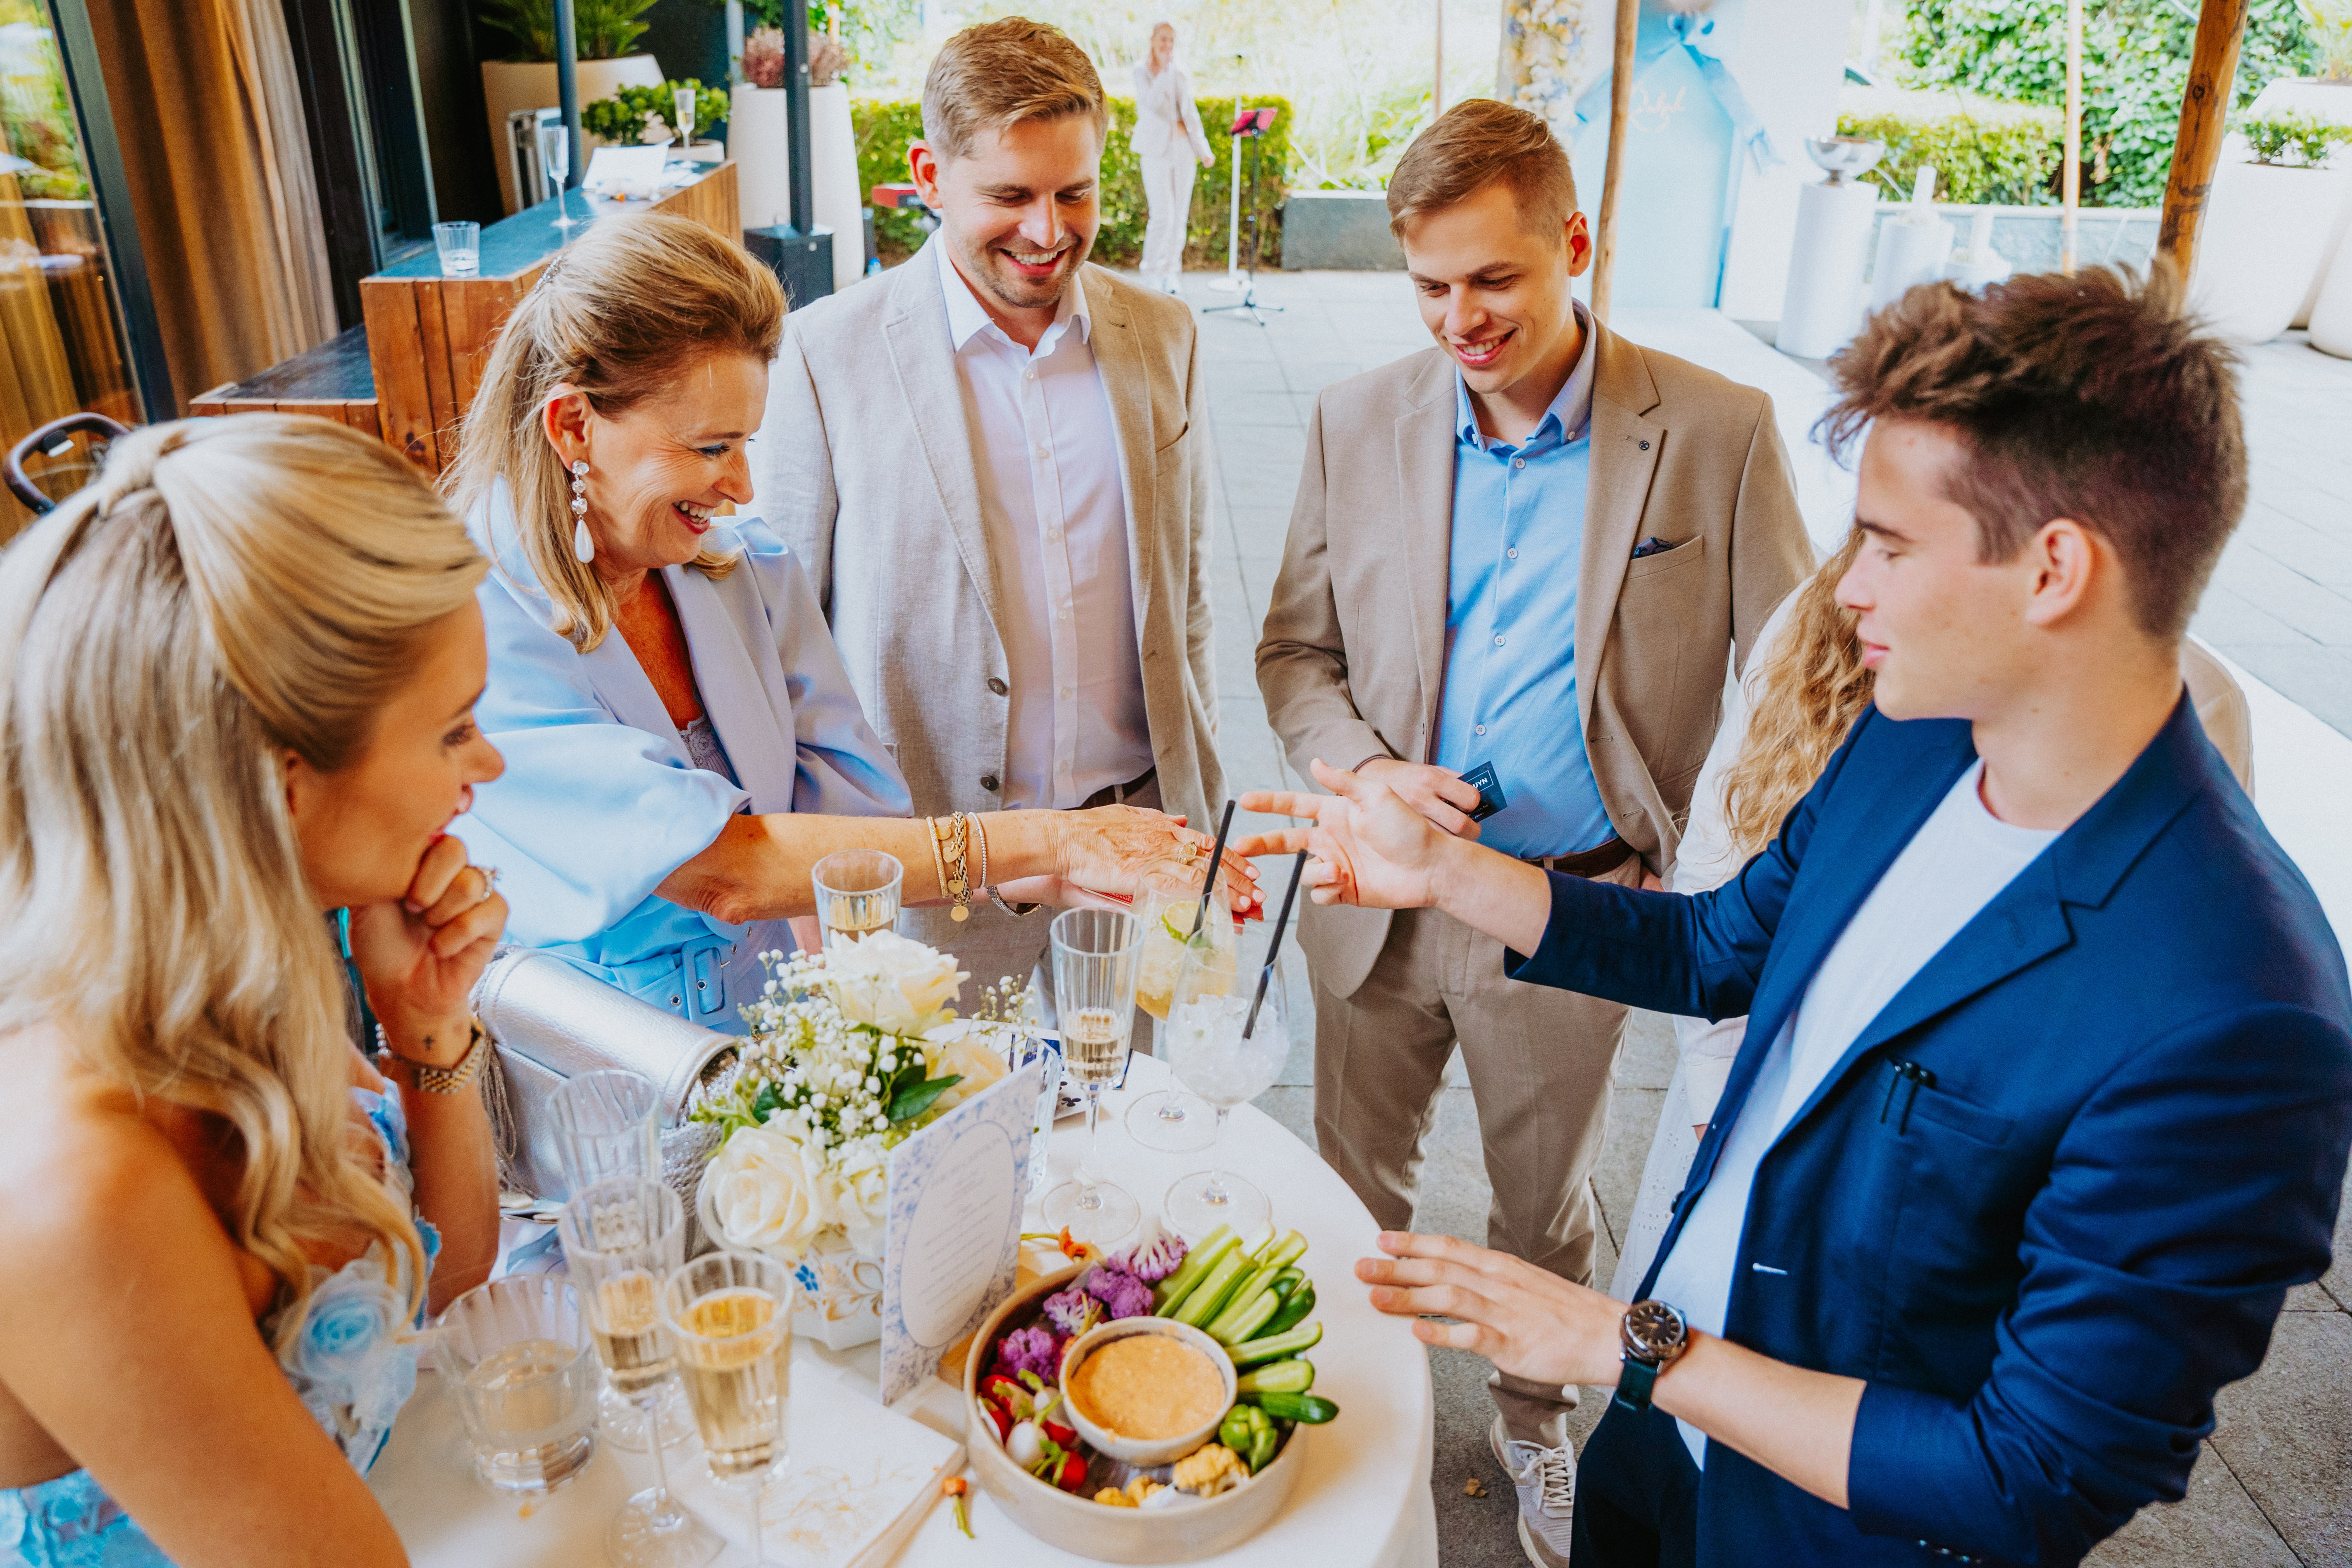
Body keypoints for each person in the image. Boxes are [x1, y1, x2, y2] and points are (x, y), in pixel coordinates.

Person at [1245, 266, 2352, 1567]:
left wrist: (1627, 1346)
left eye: (1886, 544)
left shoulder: (2238, 1013)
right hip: (1660, 1442)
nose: (1844, 592)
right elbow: (1722, 949)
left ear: (2056, 569)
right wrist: (1445, 873)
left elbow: (2034, 1473)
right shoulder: (1914, 744)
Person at [1253, 95, 1812, 1555]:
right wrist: (1366, 771)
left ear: (1575, 242)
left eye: (1493, 279)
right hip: (1374, 886)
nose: (1460, 318)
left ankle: (1530, 1422)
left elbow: (1806, 688)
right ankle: (1341, 1393)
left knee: (1538, 1203)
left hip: (1578, 903)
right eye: (1430, 285)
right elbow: (1292, 659)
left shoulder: (1718, 431)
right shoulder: (1356, 415)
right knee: (1342, 1180)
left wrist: (1726, 880)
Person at [444, 212, 1255, 1029]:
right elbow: (724, 871)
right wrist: (1052, 839)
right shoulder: (471, 629)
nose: (742, 487)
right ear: (573, 426)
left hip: (780, 1058)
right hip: (584, 1080)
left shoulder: (742, 569)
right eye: (710, 448)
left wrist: (1072, 871)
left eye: (746, 443)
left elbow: (855, 833)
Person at [0, 416, 508, 1567]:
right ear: (280, 790)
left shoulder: (242, 972)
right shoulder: (80, 1182)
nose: (490, 767)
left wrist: (427, 1023)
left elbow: (449, 1280)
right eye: (456, 728)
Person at [1610, 529, 2260, 1298]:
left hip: (1955, 1168)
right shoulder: (1836, 635)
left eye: (1895, 536)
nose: (1849, 584)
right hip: (1754, 1082)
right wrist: (1719, 1094)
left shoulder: (2191, 707)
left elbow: (2152, 996)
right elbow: (1721, 889)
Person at [753, 18, 1230, 1001]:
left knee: (1131, 1137)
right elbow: (774, 654)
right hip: (935, 879)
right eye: (1010, 196)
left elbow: (1182, 605)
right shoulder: (820, 356)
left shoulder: (1163, 334)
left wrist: (1200, 816)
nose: (1047, 230)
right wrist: (811, 906)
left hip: (1137, 855)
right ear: (928, 177)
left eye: (1073, 192)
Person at [1132, 21, 1212, 295]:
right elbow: (1151, 104)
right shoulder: (1141, 72)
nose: (1168, 46)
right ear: (1153, 40)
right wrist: (1165, 73)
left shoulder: (1180, 73)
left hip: (1183, 149)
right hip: (1155, 150)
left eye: (1172, 41)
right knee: (1162, 216)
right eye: (1163, 40)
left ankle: (1171, 272)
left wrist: (1203, 149)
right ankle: (1151, 272)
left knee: (1179, 215)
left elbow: (1189, 113)